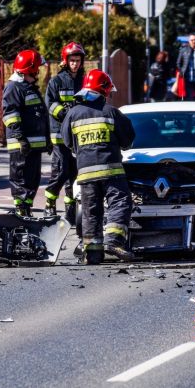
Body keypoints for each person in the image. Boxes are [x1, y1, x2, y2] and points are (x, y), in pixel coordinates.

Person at [61, 69, 136, 265]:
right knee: (120, 202)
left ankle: (93, 253)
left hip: (85, 174)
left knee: (90, 212)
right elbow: (127, 140)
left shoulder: (72, 114)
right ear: (103, 91)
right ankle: (113, 241)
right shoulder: (111, 112)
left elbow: (67, 142)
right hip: (112, 172)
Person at [2, 49, 51, 217]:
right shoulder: (14, 87)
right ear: (29, 70)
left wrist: (47, 140)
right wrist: (20, 137)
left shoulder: (28, 87)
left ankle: (26, 210)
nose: (38, 72)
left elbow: (40, 115)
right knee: (20, 179)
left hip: (34, 146)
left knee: (32, 180)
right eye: (36, 69)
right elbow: (10, 115)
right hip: (21, 144)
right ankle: (20, 211)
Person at [43, 42, 85, 223]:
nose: (75, 64)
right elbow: (50, 103)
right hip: (59, 135)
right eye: (72, 60)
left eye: (78, 60)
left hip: (78, 135)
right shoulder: (56, 81)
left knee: (74, 174)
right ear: (65, 61)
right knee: (62, 171)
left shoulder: (84, 81)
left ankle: (70, 209)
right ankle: (49, 203)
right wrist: (64, 112)